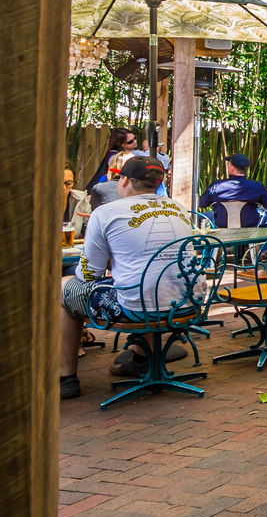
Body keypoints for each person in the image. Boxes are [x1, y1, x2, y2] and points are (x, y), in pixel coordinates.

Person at [60, 156, 196, 399]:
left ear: (123, 181)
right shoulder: (178, 208)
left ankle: (66, 376)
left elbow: (89, 274)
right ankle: (142, 359)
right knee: (143, 285)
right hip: (186, 304)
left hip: (134, 309)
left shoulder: (105, 213)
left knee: (64, 287)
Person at [198, 154, 267, 228]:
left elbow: (201, 203)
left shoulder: (216, 186)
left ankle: (206, 237)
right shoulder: (257, 186)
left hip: (221, 225)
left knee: (198, 217)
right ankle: (264, 238)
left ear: (232, 168)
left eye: (228, 165)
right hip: (249, 226)